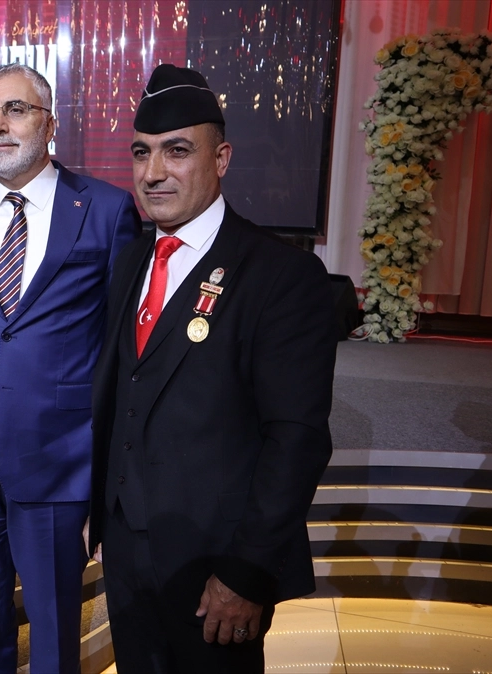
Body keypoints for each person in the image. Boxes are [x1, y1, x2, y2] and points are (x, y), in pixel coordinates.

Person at [85, 64, 337, 673]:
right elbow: (122, 393)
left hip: (216, 573)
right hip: (126, 555)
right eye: (141, 153)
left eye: (176, 151)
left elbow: (296, 440)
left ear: (221, 159)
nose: (152, 172)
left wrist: (247, 574)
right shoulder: (131, 261)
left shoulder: (281, 276)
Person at [0, 63, 141, 673]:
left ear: (50, 123)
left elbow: (122, 351)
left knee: (55, 634)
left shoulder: (106, 210)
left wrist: (109, 468)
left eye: (15, 109)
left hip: (59, 458)